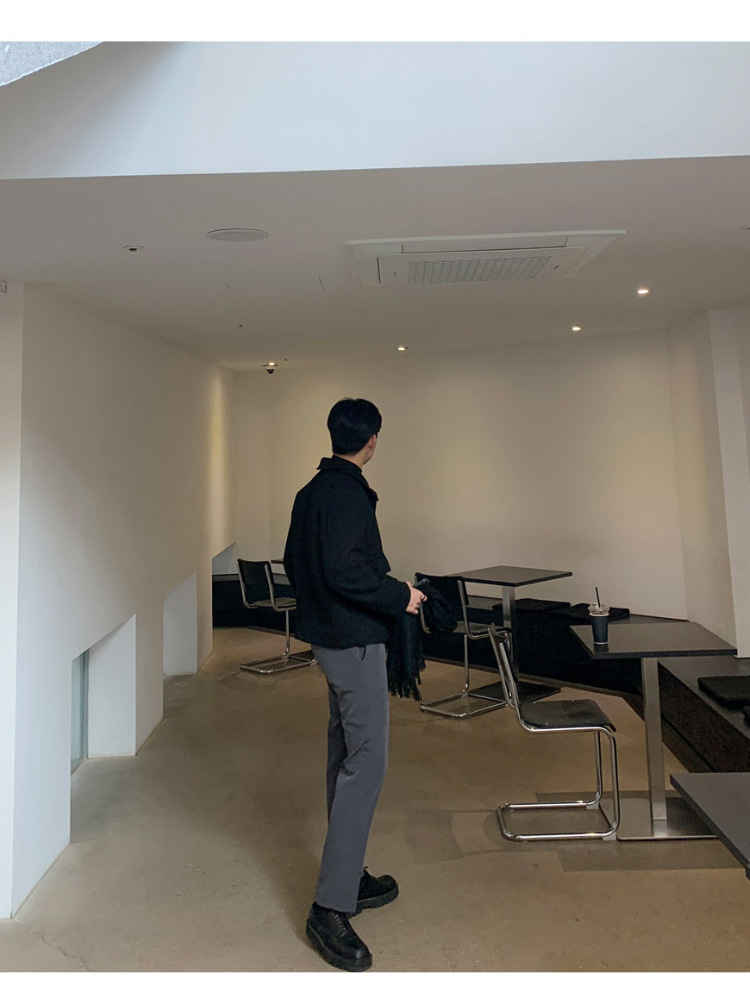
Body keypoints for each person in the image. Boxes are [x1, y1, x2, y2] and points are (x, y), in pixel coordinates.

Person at [283, 397, 426, 972]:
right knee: (367, 763)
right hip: (355, 643)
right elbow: (347, 570)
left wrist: (322, 613)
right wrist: (400, 596)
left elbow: (296, 563)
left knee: (345, 753)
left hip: (328, 640)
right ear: (371, 441)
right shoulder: (347, 493)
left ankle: (349, 875)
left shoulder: (310, 492)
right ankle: (330, 907)